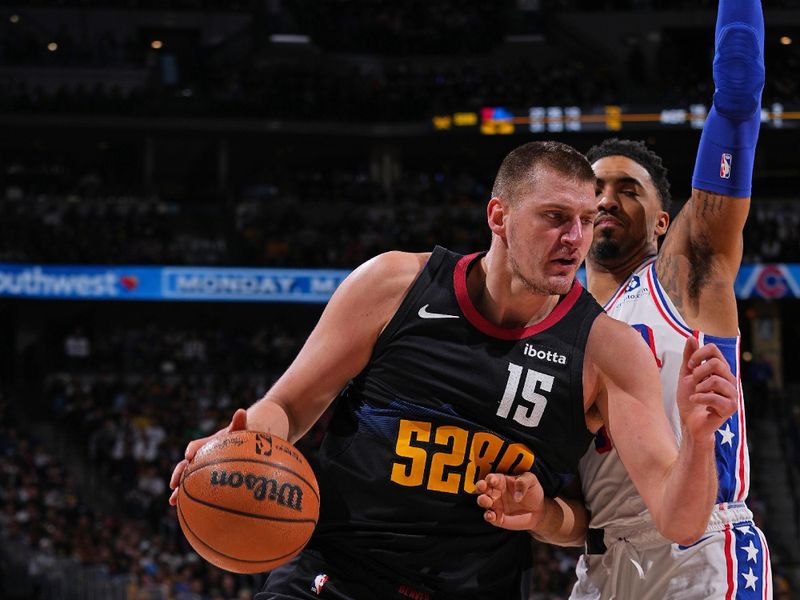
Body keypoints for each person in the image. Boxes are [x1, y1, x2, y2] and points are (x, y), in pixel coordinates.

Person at [169, 141, 738, 600]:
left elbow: (679, 520)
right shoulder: (393, 284)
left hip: (473, 585)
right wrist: (245, 440)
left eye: (586, 222)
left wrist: (697, 435)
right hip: (338, 573)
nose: (575, 239)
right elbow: (288, 407)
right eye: (554, 218)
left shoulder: (605, 350)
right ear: (498, 215)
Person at [478, 1, 771, 598]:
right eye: (595, 189)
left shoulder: (685, 274)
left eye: (627, 188)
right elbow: (581, 515)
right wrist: (538, 516)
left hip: (700, 554)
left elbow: (738, 99)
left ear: (665, 221)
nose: (607, 199)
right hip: (602, 566)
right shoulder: (555, 328)